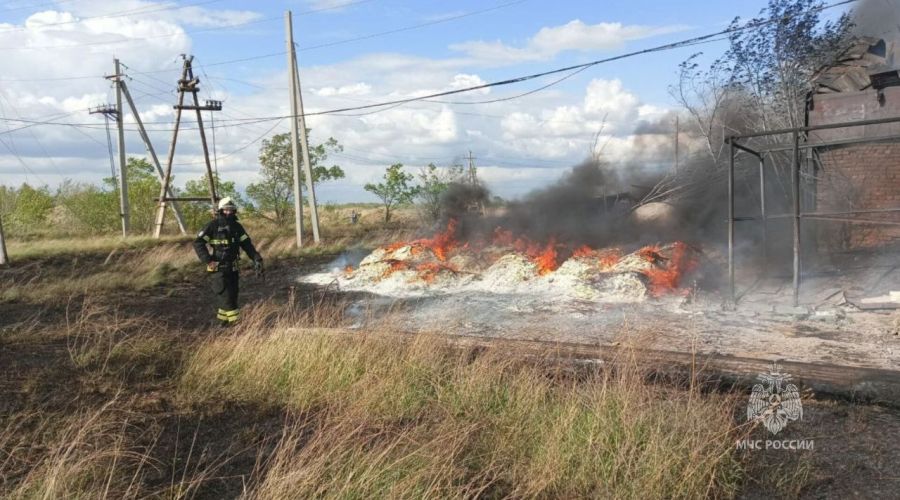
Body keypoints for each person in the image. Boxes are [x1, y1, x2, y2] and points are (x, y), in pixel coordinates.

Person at [193, 197, 263, 325]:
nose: (229, 212)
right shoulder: (213, 225)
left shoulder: (237, 227)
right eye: (226, 210)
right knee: (226, 297)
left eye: (231, 210)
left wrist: (256, 258)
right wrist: (208, 260)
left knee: (232, 296)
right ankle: (237, 324)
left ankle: (222, 323)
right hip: (218, 269)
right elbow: (198, 243)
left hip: (233, 268)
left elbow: (247, 244)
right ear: (220, 210)